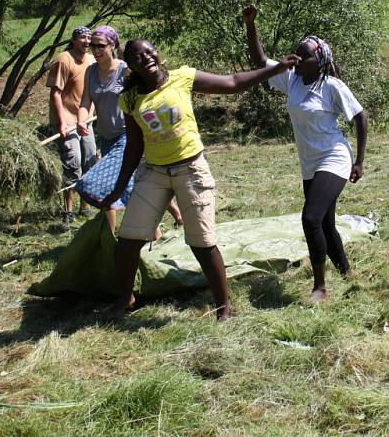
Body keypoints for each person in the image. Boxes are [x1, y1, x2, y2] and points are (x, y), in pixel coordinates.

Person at [100, 39, 299, 319]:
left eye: (149, 51)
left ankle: (223, 308)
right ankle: (125, 299)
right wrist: (118, 189)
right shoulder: (130, 98)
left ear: (157, 52)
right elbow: (134, 146)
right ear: (130, 65)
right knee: (128, 241)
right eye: (137, 56)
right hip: (154, 173)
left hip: (190, 170)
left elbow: (231, 82)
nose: (146, 58)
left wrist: (275, 69)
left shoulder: (182, 77)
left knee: (202, 242)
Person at [243, 5, 368, 302]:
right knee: (325, 222)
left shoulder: (332, 86)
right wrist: (250, 25)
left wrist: (360, 162)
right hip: (309, 162)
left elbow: (360, 117)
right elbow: (260, 62)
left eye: (305, 55)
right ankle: (347, 272)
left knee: (310, 218)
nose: (298, 58)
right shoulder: (293, 80)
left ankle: (320, 287)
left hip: (335, 157)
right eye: (296, 53)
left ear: (320, 61)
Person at [76, 25, 183, 234]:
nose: (95, 51)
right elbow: (85, 103)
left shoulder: (125, 70)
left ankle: (123, 233)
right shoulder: (91, 71)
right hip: (106, 138)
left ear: (112, 45)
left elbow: (145, 93)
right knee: (130, 185)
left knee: (98, 184)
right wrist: (82, 121)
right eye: (92, 47)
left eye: (100, 46)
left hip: (127, 136)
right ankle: (146, 230)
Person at [47, 26, 97, 224]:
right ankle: (68, 211)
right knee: (72, 163)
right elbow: (55, 94)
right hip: (67, 122)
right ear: (74, 40)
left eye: (89, 38)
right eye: (82, 38)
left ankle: (85, 207)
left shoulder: (92, 61)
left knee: (90, 161)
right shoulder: (63, 59)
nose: (86, 42)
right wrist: (61, 122)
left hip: (85, 121)